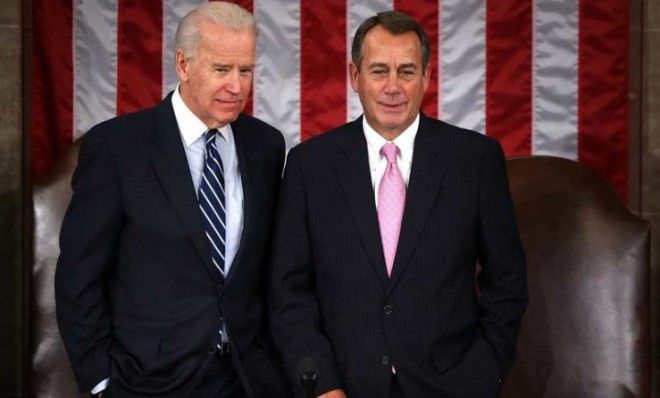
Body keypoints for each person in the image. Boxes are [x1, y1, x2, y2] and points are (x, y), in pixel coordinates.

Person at [269, 10, 528, 398]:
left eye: (406, 71)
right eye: (378, 71)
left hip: (449, 386)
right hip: (342, 386)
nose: (393, 87)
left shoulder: (474, 160)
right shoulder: (310, 166)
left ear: (426, 77)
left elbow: (507, 282)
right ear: (355, 76)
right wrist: (321, 385)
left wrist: (479, 375)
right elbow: (288, 292)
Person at [55, 3, 289, 397]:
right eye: (221, 70)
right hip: (147, 381)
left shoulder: (266, 146)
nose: (237, 86)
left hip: (247, 380)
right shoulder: (117, 147)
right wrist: (100, 382)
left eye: (245, 70)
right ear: (183, 65)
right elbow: (79, 278)